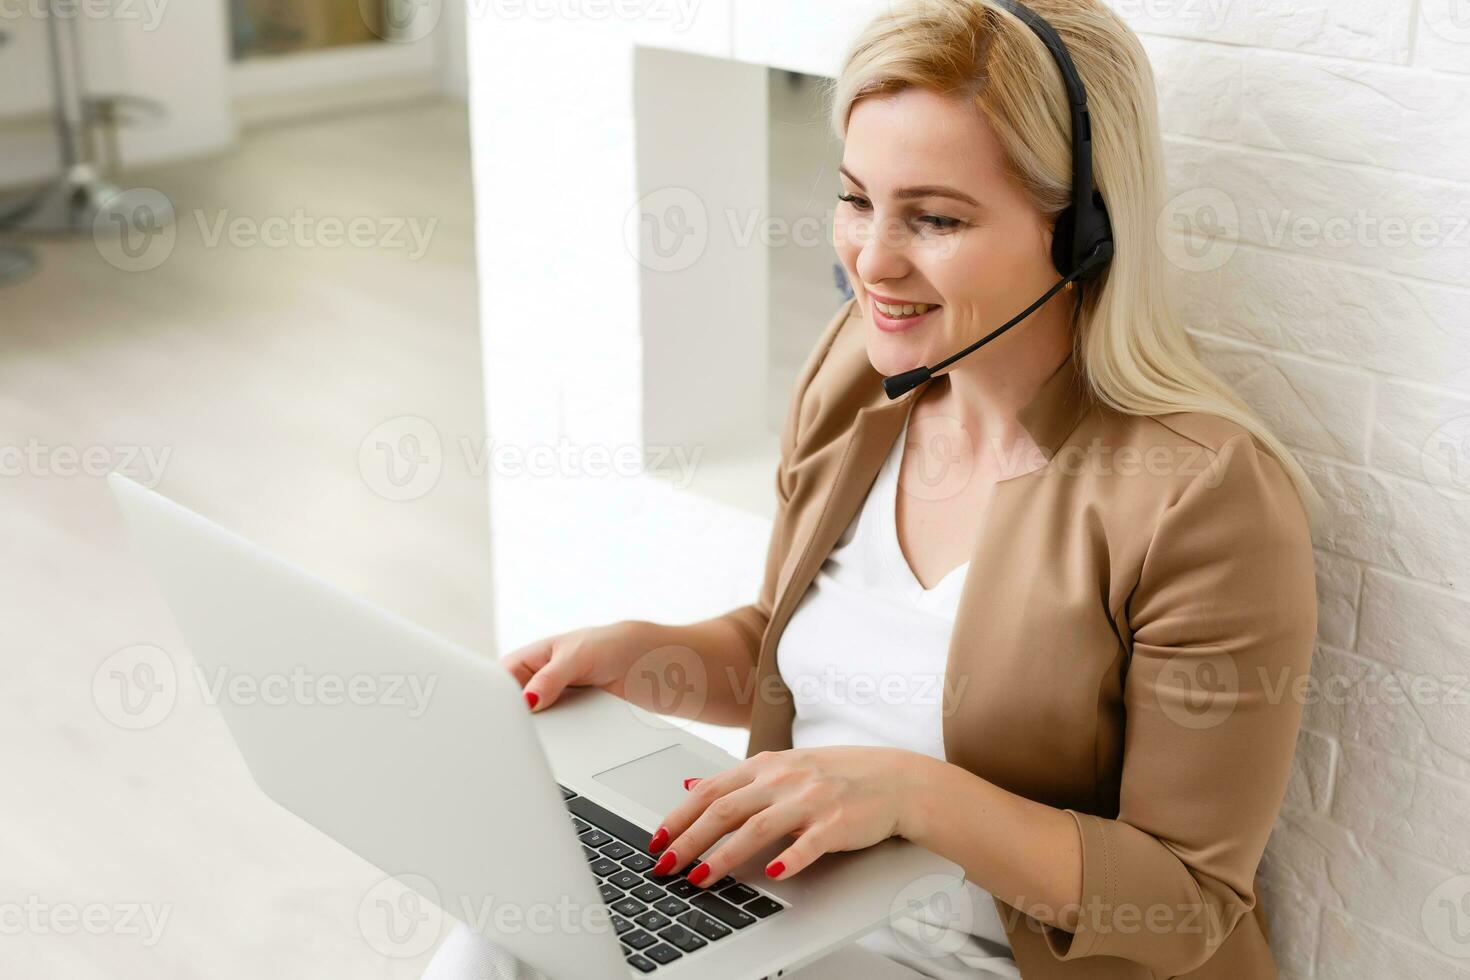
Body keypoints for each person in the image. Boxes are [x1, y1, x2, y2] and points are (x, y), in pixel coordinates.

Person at [481, 1, 1321, 977]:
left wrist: (919, 795)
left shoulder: (1201, 494)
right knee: (507, 934)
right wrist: (651, 656)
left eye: (934, 217)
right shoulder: (858, 371)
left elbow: (1188, 901)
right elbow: (806, 655)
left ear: (1084, 227)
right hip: (807, 920)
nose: (870, 261)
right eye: (856, 198)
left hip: (1001, 964)